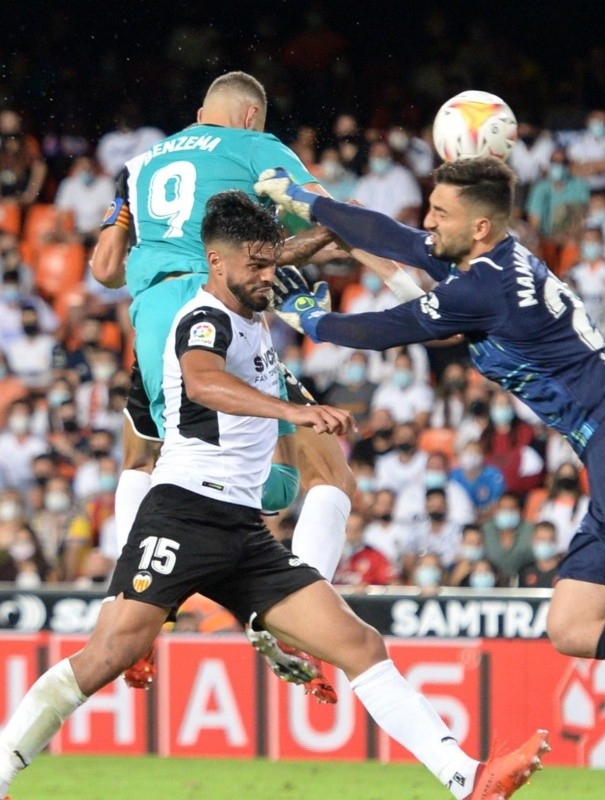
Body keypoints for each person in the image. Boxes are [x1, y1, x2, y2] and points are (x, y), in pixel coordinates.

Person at [259, 156, 605, 799]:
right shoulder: (495, 264)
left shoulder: (482, 288)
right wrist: (307, 202)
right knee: (572, 624)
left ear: (480, 226)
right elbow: (393, 239)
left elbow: (382, 330)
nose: (429, 223)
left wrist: (308, 317)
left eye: (442, 214)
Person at [0, 191, 548, 800]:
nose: (271, 276)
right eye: (257, 266)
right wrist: (297, 411)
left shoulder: (249, 297)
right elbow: (206, 383)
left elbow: (287, 252)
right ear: (217, 262)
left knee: (360, 644)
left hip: (243, 530)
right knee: (107, 654)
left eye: (271, 261)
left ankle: (468, 780)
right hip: (183, 512)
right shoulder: (203, 318)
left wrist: (339, 229)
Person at [90, 71, 423, 691]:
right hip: (211, 315)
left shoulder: (137, 167)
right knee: (327, 469)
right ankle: (303, 619)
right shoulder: (257, 149)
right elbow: (343, 217)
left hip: (150, 319)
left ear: (200, 113)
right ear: (250, 117)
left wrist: (131, 224)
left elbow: (106, 268)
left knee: (146, 459)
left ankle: (130, 619)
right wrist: (407, 286)